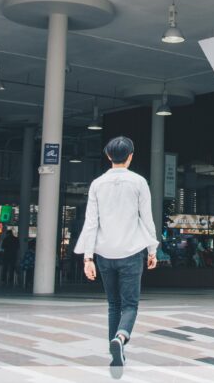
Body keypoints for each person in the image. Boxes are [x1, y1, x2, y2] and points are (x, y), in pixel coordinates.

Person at [74, 136, 158, 368]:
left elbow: (91, 223)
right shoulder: (139, 182)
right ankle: (120, 338)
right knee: (130, 305)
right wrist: (152, 250)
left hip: (103, 254)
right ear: (130, 156)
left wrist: (87, 257)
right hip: (131, 252)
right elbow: (147, 219)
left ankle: (115, 356)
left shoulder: (97, 184)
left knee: (113, 304)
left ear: (109, 156)